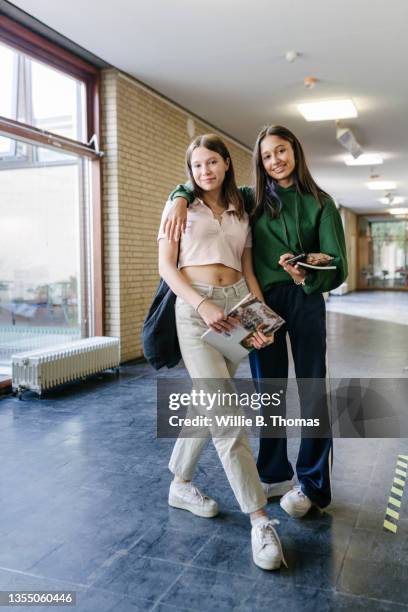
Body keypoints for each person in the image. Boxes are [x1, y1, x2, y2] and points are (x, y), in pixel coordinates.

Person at [163, 125, 348, 519]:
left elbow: (339, 266)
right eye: (267, 156)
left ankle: (312, 485)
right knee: (270, 391)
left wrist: (306, 274)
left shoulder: (323, 203)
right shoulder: (251, 200)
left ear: (295, 152)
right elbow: (204, 178)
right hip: (259, 303)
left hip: (306, 298)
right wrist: (179, 195)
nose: (275, 160)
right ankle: (273, 473)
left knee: (313, 387)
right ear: (258, 163)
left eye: (281, 151)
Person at [158, 133, 287, 570]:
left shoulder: (241, 210)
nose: (204, 172)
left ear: (227, 164)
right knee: (227, 413)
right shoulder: (180, 206)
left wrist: (259, 320)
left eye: (211, 162)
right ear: (189, 171)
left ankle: (180, 482)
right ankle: (260, 520)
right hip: (196, 311)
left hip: (236, 307)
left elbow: (247, 269)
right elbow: (166, 267)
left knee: (206, 403)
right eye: (196, 166)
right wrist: (202, 303)